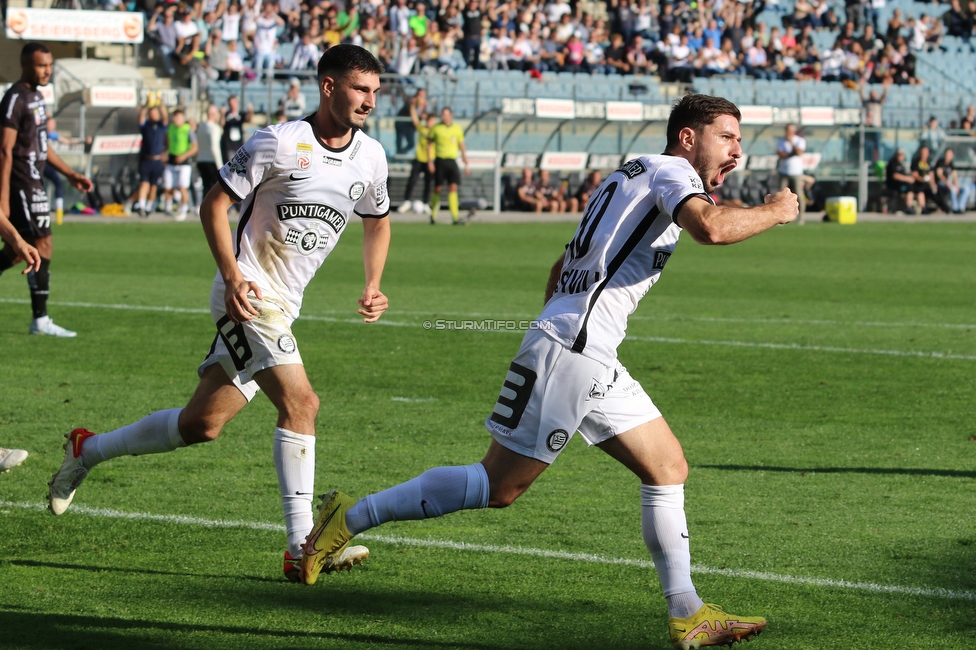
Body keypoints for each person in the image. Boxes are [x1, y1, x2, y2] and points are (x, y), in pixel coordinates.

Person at [299, 94, 798, 649]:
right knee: (497, 486)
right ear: (688, 137)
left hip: (586, 349)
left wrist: (553, 327)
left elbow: (563, 264)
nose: (737, 150)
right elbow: (710, 228)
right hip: (574, 349)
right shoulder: (674, 173)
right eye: (727, 137)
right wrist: (777, 210)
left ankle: (688, 612)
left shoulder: (629, 175)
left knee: (666, 466)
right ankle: (347, 517)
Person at [47, 45, 392, 583]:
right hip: (248, 295)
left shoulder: (371, 156)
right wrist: (233, 275)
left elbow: (377, 221)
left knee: (201, 425)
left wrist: (373, 283)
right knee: (302, 403)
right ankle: (303, 546)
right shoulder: (279, 142)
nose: (370, 100)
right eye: (359, 89)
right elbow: (214, 204)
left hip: (285, 306)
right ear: (329, 87)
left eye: (375, 91)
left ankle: (86, 450)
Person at [0, 42, 93, 338]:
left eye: (50, 65)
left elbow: (42, 144)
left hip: (35, 180)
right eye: (42, 65)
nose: (47, 70)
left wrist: (69, 173)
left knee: (20, 250)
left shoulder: (37, 97)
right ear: (26, 64)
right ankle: (40, 319)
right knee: (42, 243)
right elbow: (5, 149)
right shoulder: (15, 98)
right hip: (20, 182)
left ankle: (40, 319)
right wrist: (3, 195)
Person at [427, 107, 469, 225]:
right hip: (440, 161)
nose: (444, 117)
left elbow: (461, 144)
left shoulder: (457, 129)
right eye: (442, 114)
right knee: (438, 188)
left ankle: (455, 217)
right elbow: (429, 144)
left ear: (451, 115)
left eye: (446, 114)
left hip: (452, 161)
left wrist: (465, 158)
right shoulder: (436, 128)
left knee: (453, 187)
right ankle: (433, 215)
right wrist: (430, 161)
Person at [397, 104, 435, 216]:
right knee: (412, 181)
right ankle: (407, 201)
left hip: (431, 160)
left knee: (428, 183)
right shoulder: (422, 129)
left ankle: (426, 203)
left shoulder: (436, 131)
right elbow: (415, 119)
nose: (431, 123)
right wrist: (412, 106)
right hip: (419, 158)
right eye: (430, 120)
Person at [135, 98, 169, 217]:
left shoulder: (161, 126)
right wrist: (146, 106)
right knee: (144, 183)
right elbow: (140, 118)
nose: (153, 115)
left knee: (154, 185)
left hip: (157, 160)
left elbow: (165, 117)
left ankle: (149, 206)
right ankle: (141, 204)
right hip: (146, 159)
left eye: (155, 113)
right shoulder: (146, 126)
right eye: (151, 113)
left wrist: (160, 104)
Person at [163, 109, 199, 221]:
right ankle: (168, 207)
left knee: (183, 187)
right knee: (167, 187)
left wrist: (184, 155)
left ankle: (183, 210)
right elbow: (168, 143)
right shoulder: (171, 129)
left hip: (184, 163)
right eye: (174, 117)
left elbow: (194, 147)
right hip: (172, 161)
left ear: (183, 118)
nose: (176, 119)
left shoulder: (188, 129)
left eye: (178, 117)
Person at [777, 123, 806, 223]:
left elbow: (799, 152)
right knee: (781, 194)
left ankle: (801, 216)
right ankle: (780, 217)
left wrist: (792, 144)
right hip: (783, 171)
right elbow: (781, 154)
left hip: (796, 171)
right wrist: (791, 154)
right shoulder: (781, 140)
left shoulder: (799, 140)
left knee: (798, 193)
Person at [196, 104, 224, 197]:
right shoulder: (214, 128)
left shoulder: (201, 127)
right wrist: (220, 166)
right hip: (211, 161)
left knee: (206, 187)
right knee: (216, 188)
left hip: (201, 160)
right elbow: (214, 147)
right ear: (214, 114)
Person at [220, 95, 254, 166]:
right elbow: (221, 124)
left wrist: (250, 110)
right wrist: (222, 114)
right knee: (230, 165)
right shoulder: (226, 115)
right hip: (229, 145)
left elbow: (249, 119)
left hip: (238, 145)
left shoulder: (240, 115)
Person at [884, 148, 916, 214]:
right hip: (893, 186)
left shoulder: (901, 164)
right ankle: (908, 207)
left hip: (900, 185)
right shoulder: (893, 163)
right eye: (899, 155)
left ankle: (909, 207)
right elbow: (895, 176)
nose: (900, 157)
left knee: (911, 188)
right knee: (909, 188)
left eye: (902, 155)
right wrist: (907, 179)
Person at [910, 145, 933, 214]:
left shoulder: (928, 163)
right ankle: (923, 208)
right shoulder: (916, 163)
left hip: (927, 184)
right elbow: (915, 175)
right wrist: (924, 180)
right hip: (918, 184)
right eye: (922, 153)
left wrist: (932, 182)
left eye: (925, 153)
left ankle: (946, 208)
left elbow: (931, 175)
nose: (924, 155)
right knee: (920, 190)